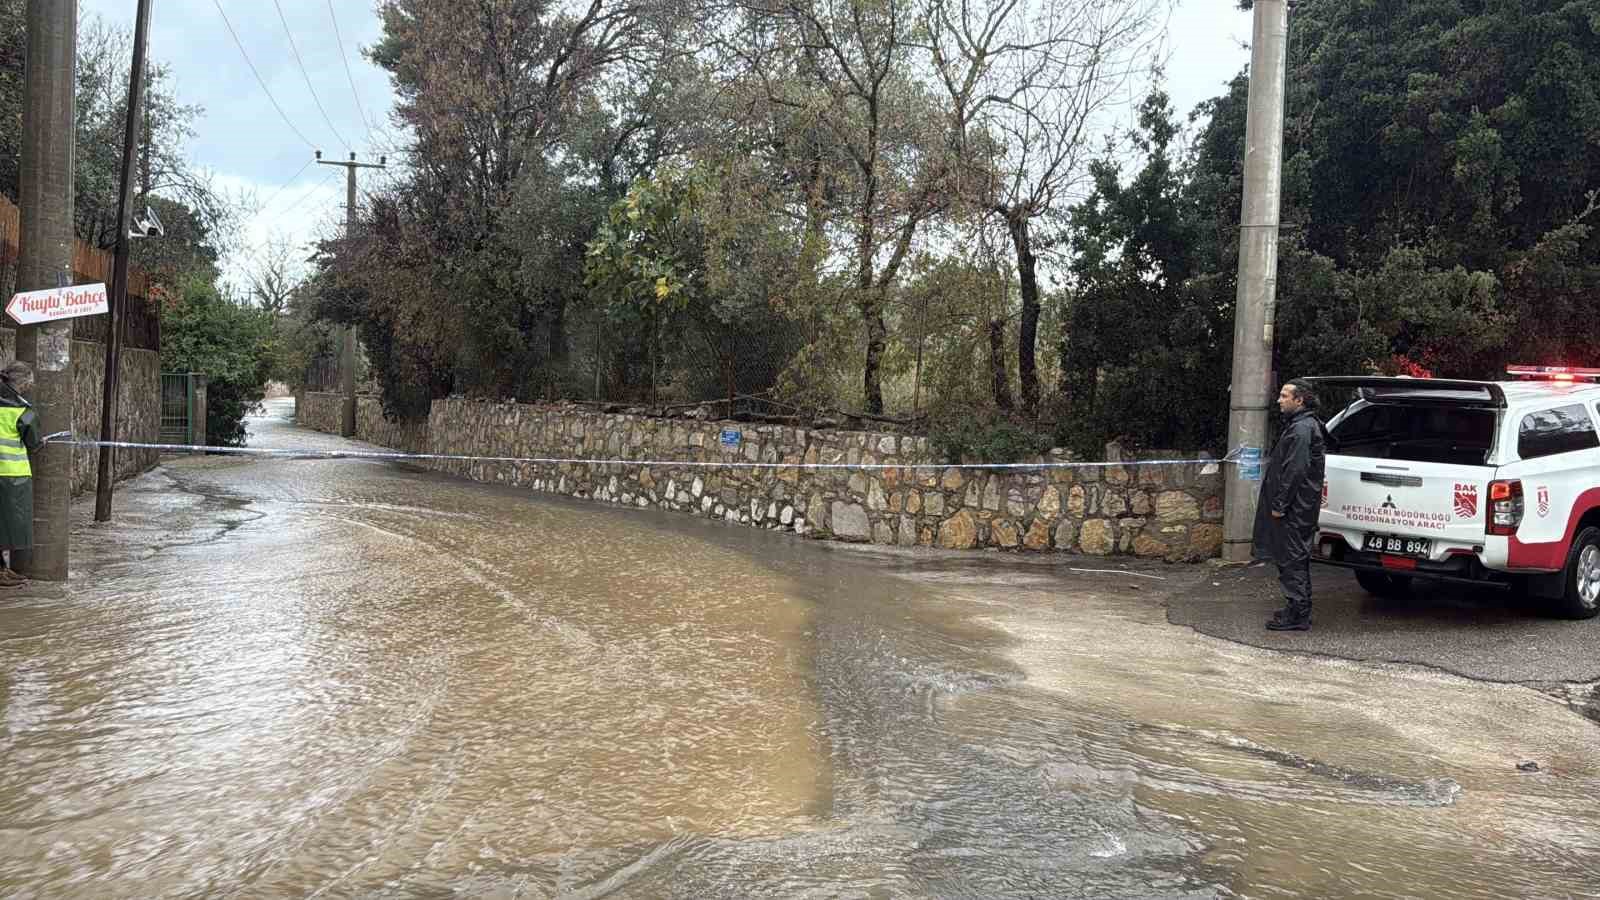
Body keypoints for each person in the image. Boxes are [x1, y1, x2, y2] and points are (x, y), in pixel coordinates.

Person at [1252, 378, 1328, 631]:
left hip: (1295, 509)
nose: (1279, 400)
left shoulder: (1302, 429)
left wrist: (1280, 505)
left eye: (1285, 396)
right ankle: (1296, 608)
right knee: (1291, 557)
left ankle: (1298, 613)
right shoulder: (1301, 425)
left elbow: (1294, 470)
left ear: (1299, 400)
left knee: (1292, 558)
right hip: (1298, 507)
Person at [0, 360, 43, 587]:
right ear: (24, 382)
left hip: (8, 475)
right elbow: (34, 444)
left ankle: (2, 570)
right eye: (30, 382)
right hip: (10, 475)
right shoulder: (22, 411)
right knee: (9, 526)